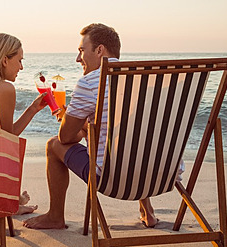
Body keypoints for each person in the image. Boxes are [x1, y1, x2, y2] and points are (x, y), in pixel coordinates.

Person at [23, 23, 158, 229]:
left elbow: (66, 138)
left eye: (81, 51)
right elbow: (134, 130)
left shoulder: (89, 83)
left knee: (53, 146)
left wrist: (71, 120)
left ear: (99, 50)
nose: (78, 59)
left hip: (112, 178)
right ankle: (148, 211)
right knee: (134, 135)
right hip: (161, 174)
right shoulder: (144, 79)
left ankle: (55, 217)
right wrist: (86, 124)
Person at [0, 33, 47, 214]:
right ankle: (8, 199)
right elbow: (8, 139)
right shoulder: (4, 88)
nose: (21, 67)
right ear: (5, 60)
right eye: (20, 60)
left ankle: (11, 197)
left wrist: (32, 108)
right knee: (7, 145)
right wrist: (31, 111)